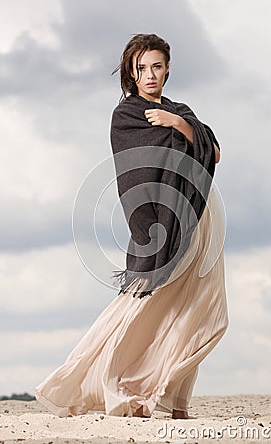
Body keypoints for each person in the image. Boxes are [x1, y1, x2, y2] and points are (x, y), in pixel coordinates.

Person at [34, 33, 228, 420]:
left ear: (168, 68)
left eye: (157, 66)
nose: (150, 74)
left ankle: (172, 399)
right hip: (161, 222)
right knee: (142, 308)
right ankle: (102, 383)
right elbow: (134, 173)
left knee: (198, 311)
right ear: (131, 72)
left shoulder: (180, 110)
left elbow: (215, 152)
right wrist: (149, 230)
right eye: (142, 68)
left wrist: (181, 125)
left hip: (199, 219)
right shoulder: (126, 115)